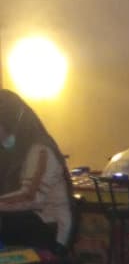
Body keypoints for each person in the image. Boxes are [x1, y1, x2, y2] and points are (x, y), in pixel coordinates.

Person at [0, 90, 75, 251]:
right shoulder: (13, 152)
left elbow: (31, 197)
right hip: (31, 220)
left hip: (50, 226)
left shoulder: (40, 150)